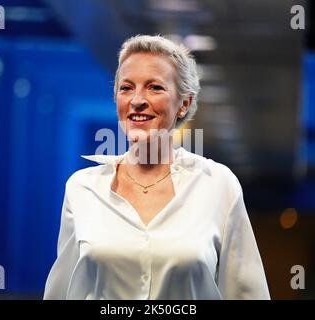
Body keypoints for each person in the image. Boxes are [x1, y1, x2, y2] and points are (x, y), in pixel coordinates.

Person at [43, 35, 270, 299]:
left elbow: (247, 293)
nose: (137, 100)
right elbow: (62, 292)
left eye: (155, 88)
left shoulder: (218, 184)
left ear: (184, 104)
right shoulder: (82, 188)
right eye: (126, 88)